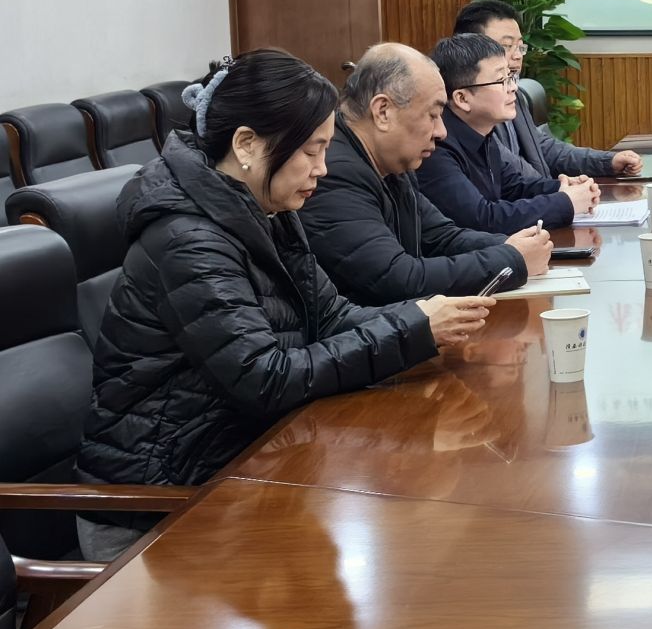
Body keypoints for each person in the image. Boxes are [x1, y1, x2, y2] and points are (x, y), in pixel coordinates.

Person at [77, 49, 494, 559]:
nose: (322, 169)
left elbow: (332, 316)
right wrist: (411, 331)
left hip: (247, 465)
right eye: (311, 152)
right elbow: (265, 378)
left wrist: (425, 319)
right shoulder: (187, 240)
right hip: (162, 507)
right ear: (247, 144)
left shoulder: (266, 209)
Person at [301, 43, 554, 305]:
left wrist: (512, 244)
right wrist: (511, 259)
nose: (441, 131)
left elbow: (441, 236)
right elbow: (397, 279)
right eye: (432, 115)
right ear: (383, 111)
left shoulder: (391, 161)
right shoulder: (333, 173)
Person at [416, 34, 599, 234]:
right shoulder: (436, 146)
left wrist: (563, 187)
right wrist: (565, 202)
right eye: (500, 80)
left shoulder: (483, 134)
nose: (513, 88)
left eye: (510, 77)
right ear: (462, 98)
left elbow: (515, 187)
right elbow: (483, 219)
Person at [453, 0, 641, 181]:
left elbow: (541, 147)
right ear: (470, 49)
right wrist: (560, 193)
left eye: (520, 47)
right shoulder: (469, 110)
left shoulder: (513, 93)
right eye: (507, 46)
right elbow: (513, 177)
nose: (517, 56)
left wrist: (607, 161)